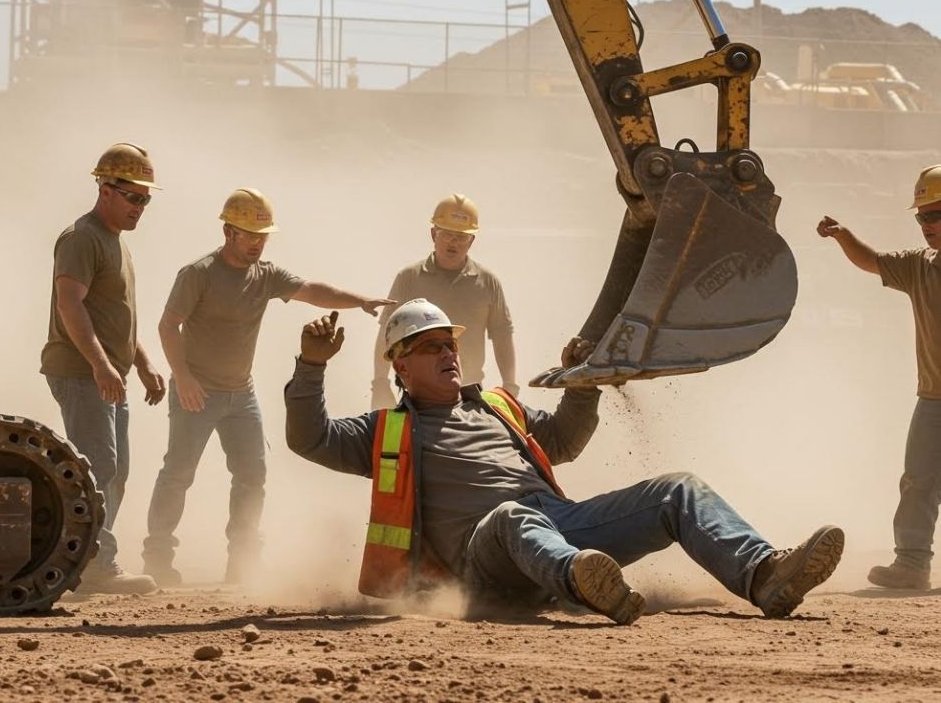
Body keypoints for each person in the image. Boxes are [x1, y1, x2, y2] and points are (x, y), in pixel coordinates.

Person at [286, 299, 844, 622]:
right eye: (431, 347)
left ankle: (764, 574)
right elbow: (309, 439)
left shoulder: (499, 407)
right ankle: (582, 583)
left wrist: (583, 383)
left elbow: (565, 441)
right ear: (401, 367)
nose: (448, 353)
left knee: (676, 489)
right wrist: (312, 367)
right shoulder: (385, 431)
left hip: (560, 525)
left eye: (449, 343)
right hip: (485, 562)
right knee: (511, 515)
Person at [142, 187, 394, 586]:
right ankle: (157, 557)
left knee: (252, 474)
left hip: (241, 394)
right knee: (178, 473)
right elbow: (167, 326)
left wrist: (360, 301)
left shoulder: (267, 275)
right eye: (249, 235)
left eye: (263, 236)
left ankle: (242, 561)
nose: (257, 244)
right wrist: (184, 378)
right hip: (197, 391)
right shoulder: (199, 274)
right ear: (228, 232)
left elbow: (311, 291)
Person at [41, 143, 166, 595]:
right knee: (98, 464)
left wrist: (146, 363)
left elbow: (117, 316)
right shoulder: (82, 237)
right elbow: (70, 303)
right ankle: (95, 563)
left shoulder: (115, 243)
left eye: (146, 199)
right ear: (105, 189)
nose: (141, 207)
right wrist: (99, 363)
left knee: (117, 468)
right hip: (81, 371)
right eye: (134, 197)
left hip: (107, 372)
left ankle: (88, 557)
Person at [818, 163, 941, 591]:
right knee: (918, 482)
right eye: (922, 216)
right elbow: (871, 262)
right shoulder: (919, 267)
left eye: (936, 214)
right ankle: (911, 565)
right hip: (934, 398)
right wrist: (842, 235)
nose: (928, 224)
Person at [372, 193, 516, 409]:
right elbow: (387, 333)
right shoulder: (409, 278)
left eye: (462, 236)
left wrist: (510, 387)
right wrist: (380, 383)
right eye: (447, 234)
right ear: (433, 234)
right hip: (417, 393)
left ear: (472, 240)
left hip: (470, 393)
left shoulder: (487, 282)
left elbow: (502, 335)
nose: (453, 242)